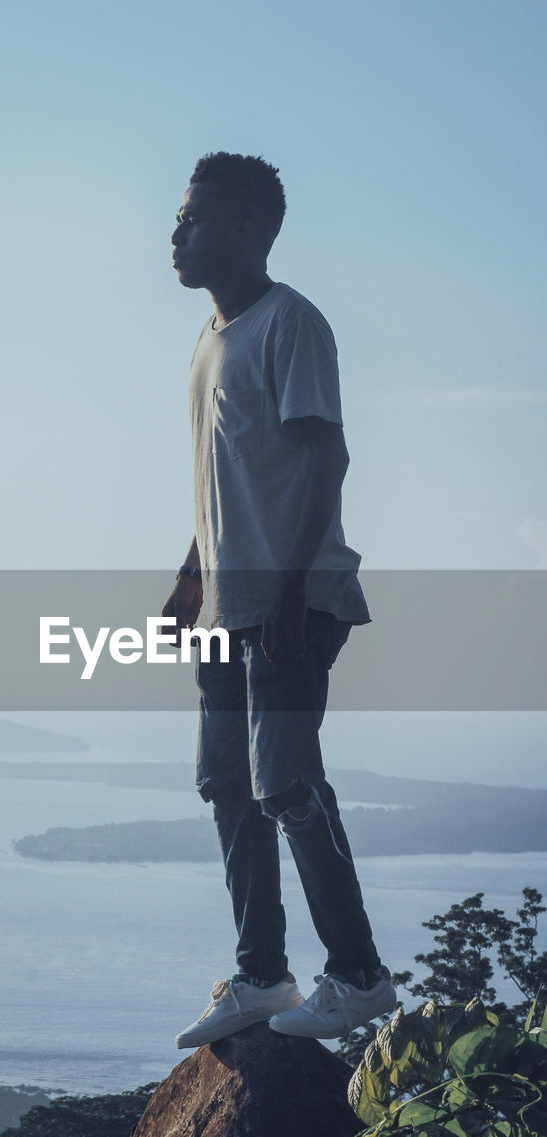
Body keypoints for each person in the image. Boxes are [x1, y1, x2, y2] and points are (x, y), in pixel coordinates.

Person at [163, 151, 397, 1048]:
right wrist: (192, 576)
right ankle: (261, 977)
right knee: (225, 784)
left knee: (286, 784)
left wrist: (296, 588)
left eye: (191, 218)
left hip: (293, 601)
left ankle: (359, 976)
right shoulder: (207, 340)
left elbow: (324, 458)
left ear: (248, 228)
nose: (174, 234)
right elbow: (224, 480)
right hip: (229, 604)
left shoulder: (291, 323)